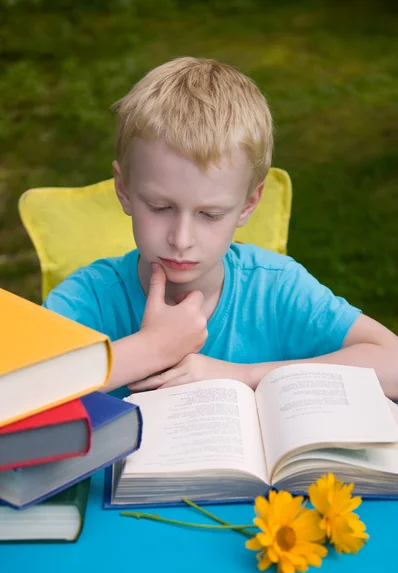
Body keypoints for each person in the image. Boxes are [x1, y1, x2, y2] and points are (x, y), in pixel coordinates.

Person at [43, 57, 398, 400]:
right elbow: (16, 395)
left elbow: (393, 363)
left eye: (210, 214)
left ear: (248, 205)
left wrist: (245, 377)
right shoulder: (89, 300)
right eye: (160, 207)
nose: (181, 240)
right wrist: (150, 348)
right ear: (123, 190)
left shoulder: (273, 288)